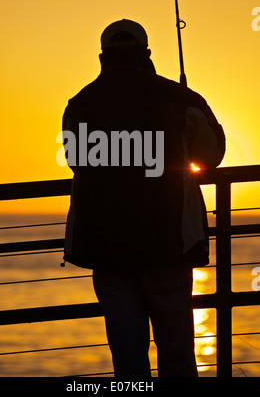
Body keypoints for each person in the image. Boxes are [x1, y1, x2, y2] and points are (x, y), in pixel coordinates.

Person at [61, 19, 225, 377]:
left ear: (103, 55)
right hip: (168, 243)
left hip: (105, 246)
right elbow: (211, 156)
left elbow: (76, 162)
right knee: (177, 348)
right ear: (147, 53)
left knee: (127, 352)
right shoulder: (180, 99)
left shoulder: (80, 104)